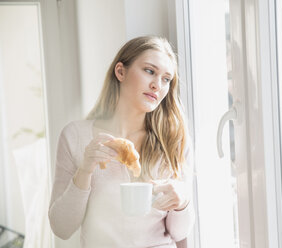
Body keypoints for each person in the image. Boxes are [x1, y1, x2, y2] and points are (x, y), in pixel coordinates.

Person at [48, 36, 194, 248]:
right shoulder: (76, 136)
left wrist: (183, 202)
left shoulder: (174, 140)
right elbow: (61, 228)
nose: (157, 85)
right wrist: (85, 169)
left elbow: (179, 233)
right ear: (121, 72)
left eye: (166, 79)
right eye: (150, 71)